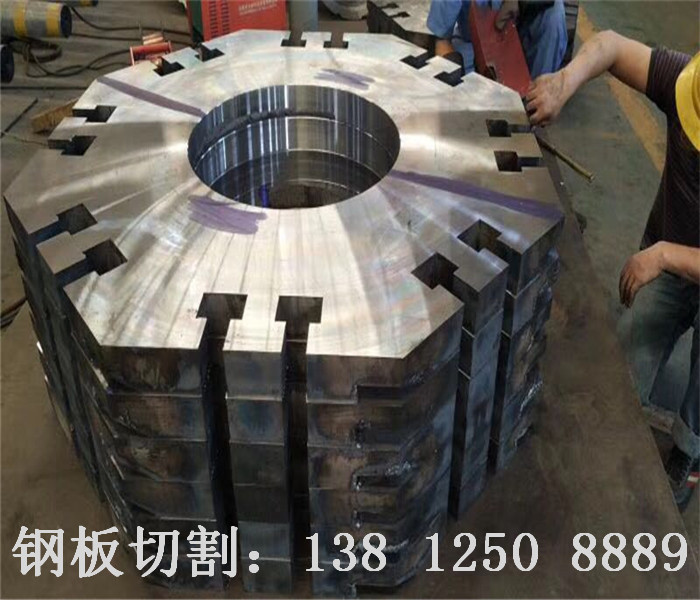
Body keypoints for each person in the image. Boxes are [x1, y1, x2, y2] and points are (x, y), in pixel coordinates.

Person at [527, 31, 700, 509]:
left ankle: (689, 449)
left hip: (669, 257)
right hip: (669, 265)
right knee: (618, 377)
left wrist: (662, 255)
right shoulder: (685, 82)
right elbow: (610, 46)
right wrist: (564, 82)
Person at [427, 0, 568, 78]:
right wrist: (450, 73)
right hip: (472, 45)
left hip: (524, 41)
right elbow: (442, 39)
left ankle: (534, 103)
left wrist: (522, 2)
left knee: (553, 15)